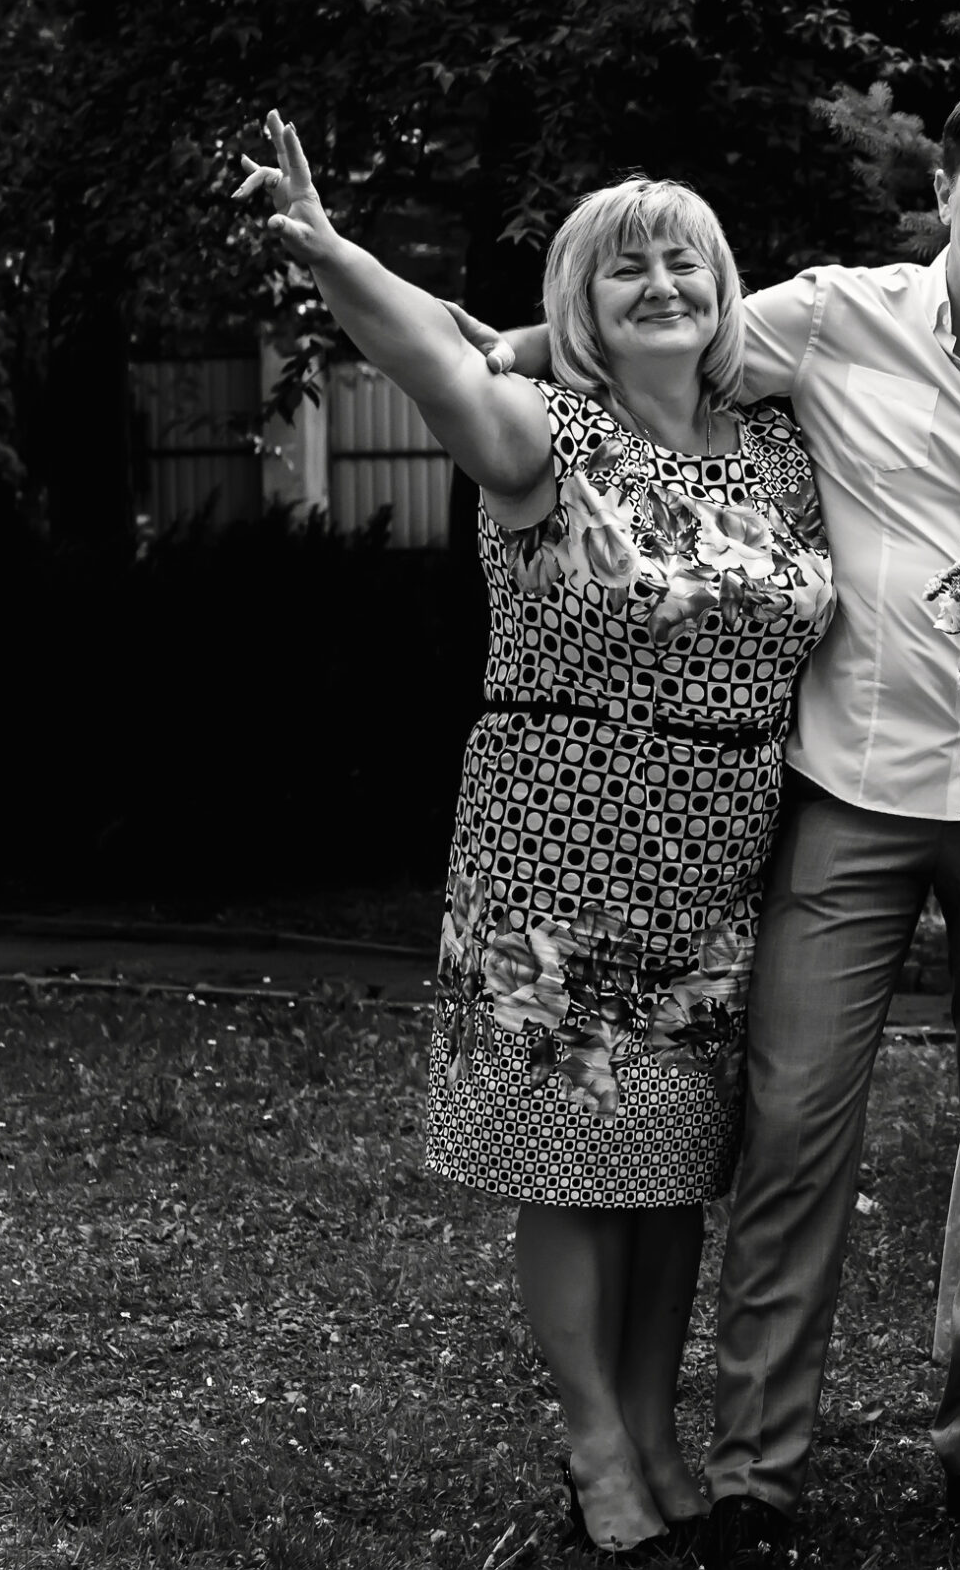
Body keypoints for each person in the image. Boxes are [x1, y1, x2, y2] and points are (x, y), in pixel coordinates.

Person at [462, 83, 960, 1563]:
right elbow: (645, 338)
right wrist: (488, 344)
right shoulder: (833, 318)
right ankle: (759, 1462)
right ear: (945, 193)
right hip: (853, 792)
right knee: (793, 1122)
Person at [236, 115, 834, 1560]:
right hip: (558, 838)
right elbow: (429, 353)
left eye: (683, 261)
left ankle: (655, 1423)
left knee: (671, 1167)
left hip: (721, 850)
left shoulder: (780, 448)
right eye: (622, 269)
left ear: (722, 285)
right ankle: (593, 1444)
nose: (660, 287)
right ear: (580, 300)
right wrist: (325, 250)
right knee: (575, 1164)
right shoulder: (541, 435)